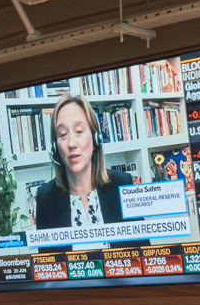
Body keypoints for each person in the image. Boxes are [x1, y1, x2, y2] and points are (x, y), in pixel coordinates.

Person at [31, 96, 134, 229]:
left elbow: (142, 248)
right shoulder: (45, 198)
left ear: (95, 139)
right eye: (63, 134)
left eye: (79, 131)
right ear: (55, 148)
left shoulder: (122, 185)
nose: (71, 144)